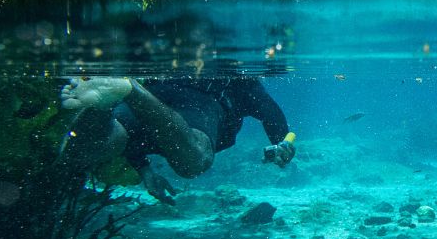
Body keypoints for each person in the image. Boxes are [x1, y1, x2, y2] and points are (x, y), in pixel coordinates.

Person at [58, 76, 295, 204]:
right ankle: (130, 90)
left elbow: (136, 139)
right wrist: (282, 143)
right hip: (197, 102)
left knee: (83, 152)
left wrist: (146, 172)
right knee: (194, 161)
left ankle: (103, 106)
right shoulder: (239, 81)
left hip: (154, 94)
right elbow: (269, 110)